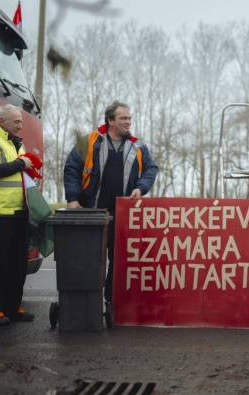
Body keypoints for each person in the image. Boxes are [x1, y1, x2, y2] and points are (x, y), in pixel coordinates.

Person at [64, 100, 158, 326]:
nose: (128, 122)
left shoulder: (138, 146)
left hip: (123, 216)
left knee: (117, 262)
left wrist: (140, 188)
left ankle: (110, 303)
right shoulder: (89, 142)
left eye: (129, 118)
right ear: (110, 121)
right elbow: (72, 169)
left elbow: (151, 169)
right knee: (92, 261)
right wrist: (73, 199)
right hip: (92, 213)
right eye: (123, 118)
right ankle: (89, 304)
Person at [0, 104, 36, 326]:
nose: (21, 126)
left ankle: (13, 307)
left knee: (18, 264)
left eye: (21, 121)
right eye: (16, 122)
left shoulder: (16, 144)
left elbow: (18, 173)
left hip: (20, 211)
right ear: (2, 121)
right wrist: (21, 163)